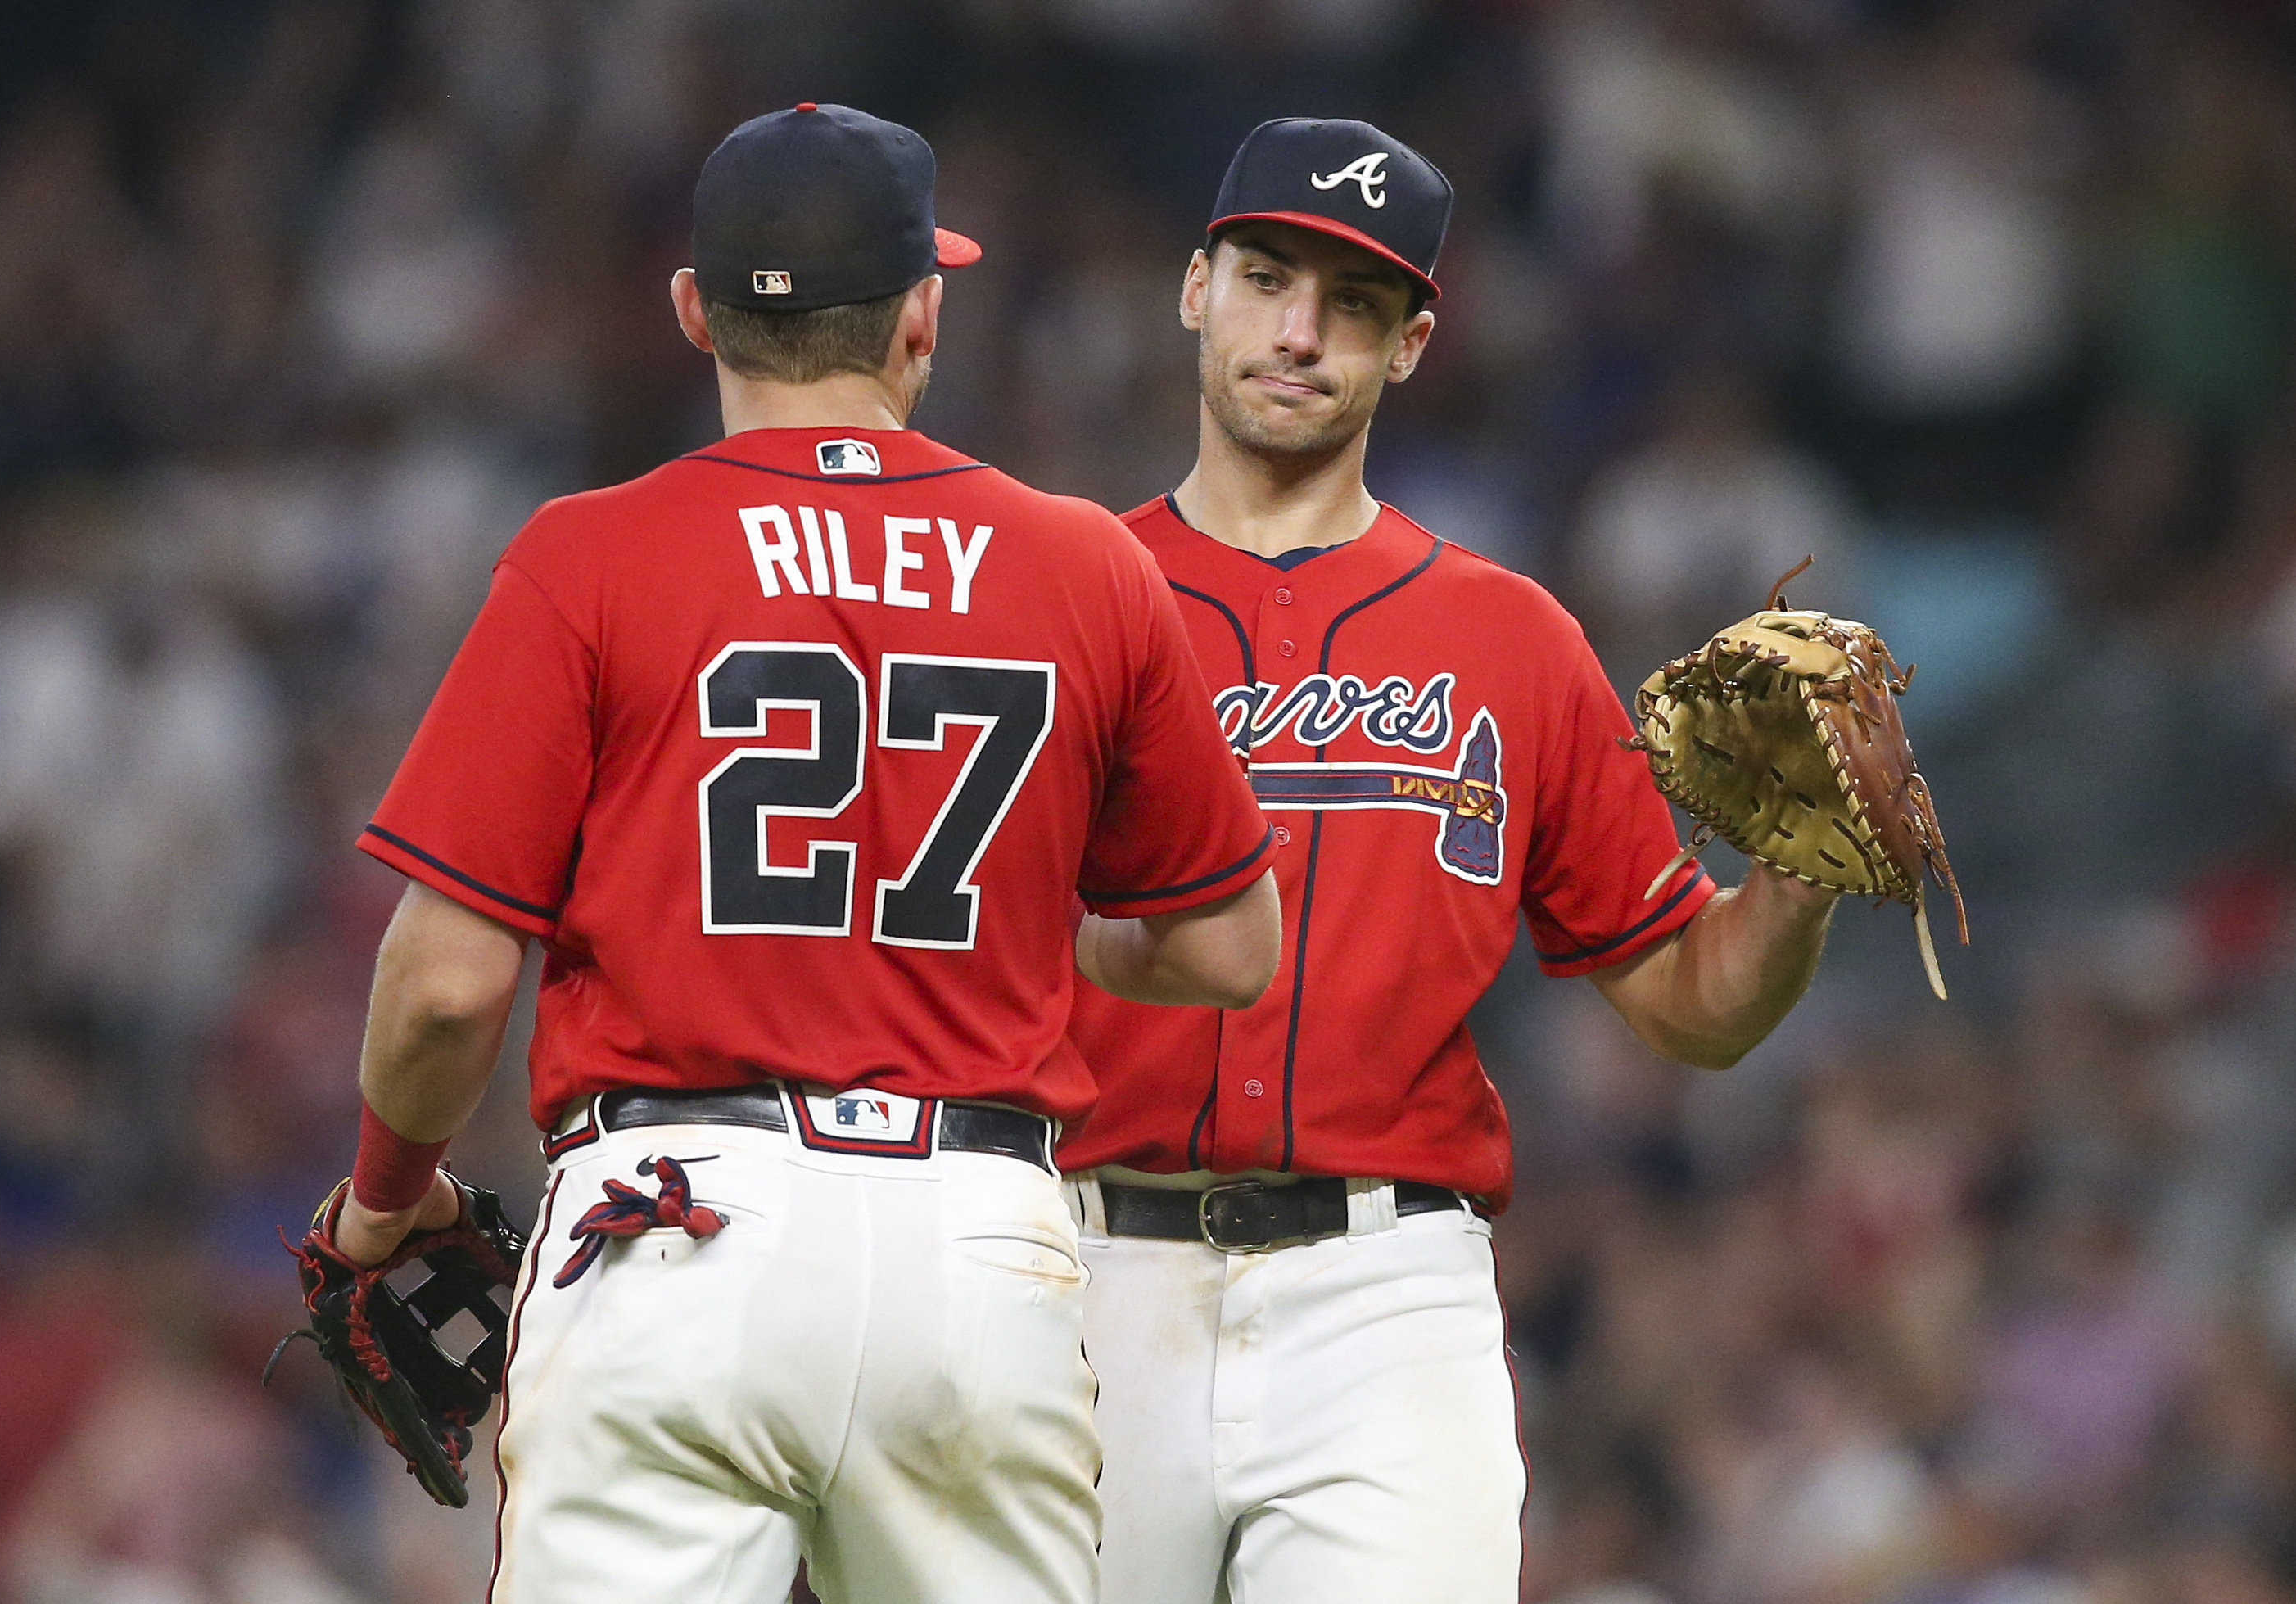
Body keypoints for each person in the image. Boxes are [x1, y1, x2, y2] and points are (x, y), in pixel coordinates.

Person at [326, 102, 1282, 1604]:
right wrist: (1043, 932)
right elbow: (1231, 947)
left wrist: (385, 1203)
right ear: (923, 315)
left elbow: (446, 986)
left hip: (674, 1226)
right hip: (979, 1247)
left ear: (694, 308)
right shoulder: (1085, 562)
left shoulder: (592, 555)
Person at [1061, 117, 1839, 1604]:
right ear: (1193, 288)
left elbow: (1690, 999)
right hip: (1087, 1273)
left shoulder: (1510, 638)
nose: (1300, 332)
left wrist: (1794, 882)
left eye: (1353, 304)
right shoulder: (1056, 602)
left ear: (1413, 343)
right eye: (1267, 277)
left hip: (1385, 1293)